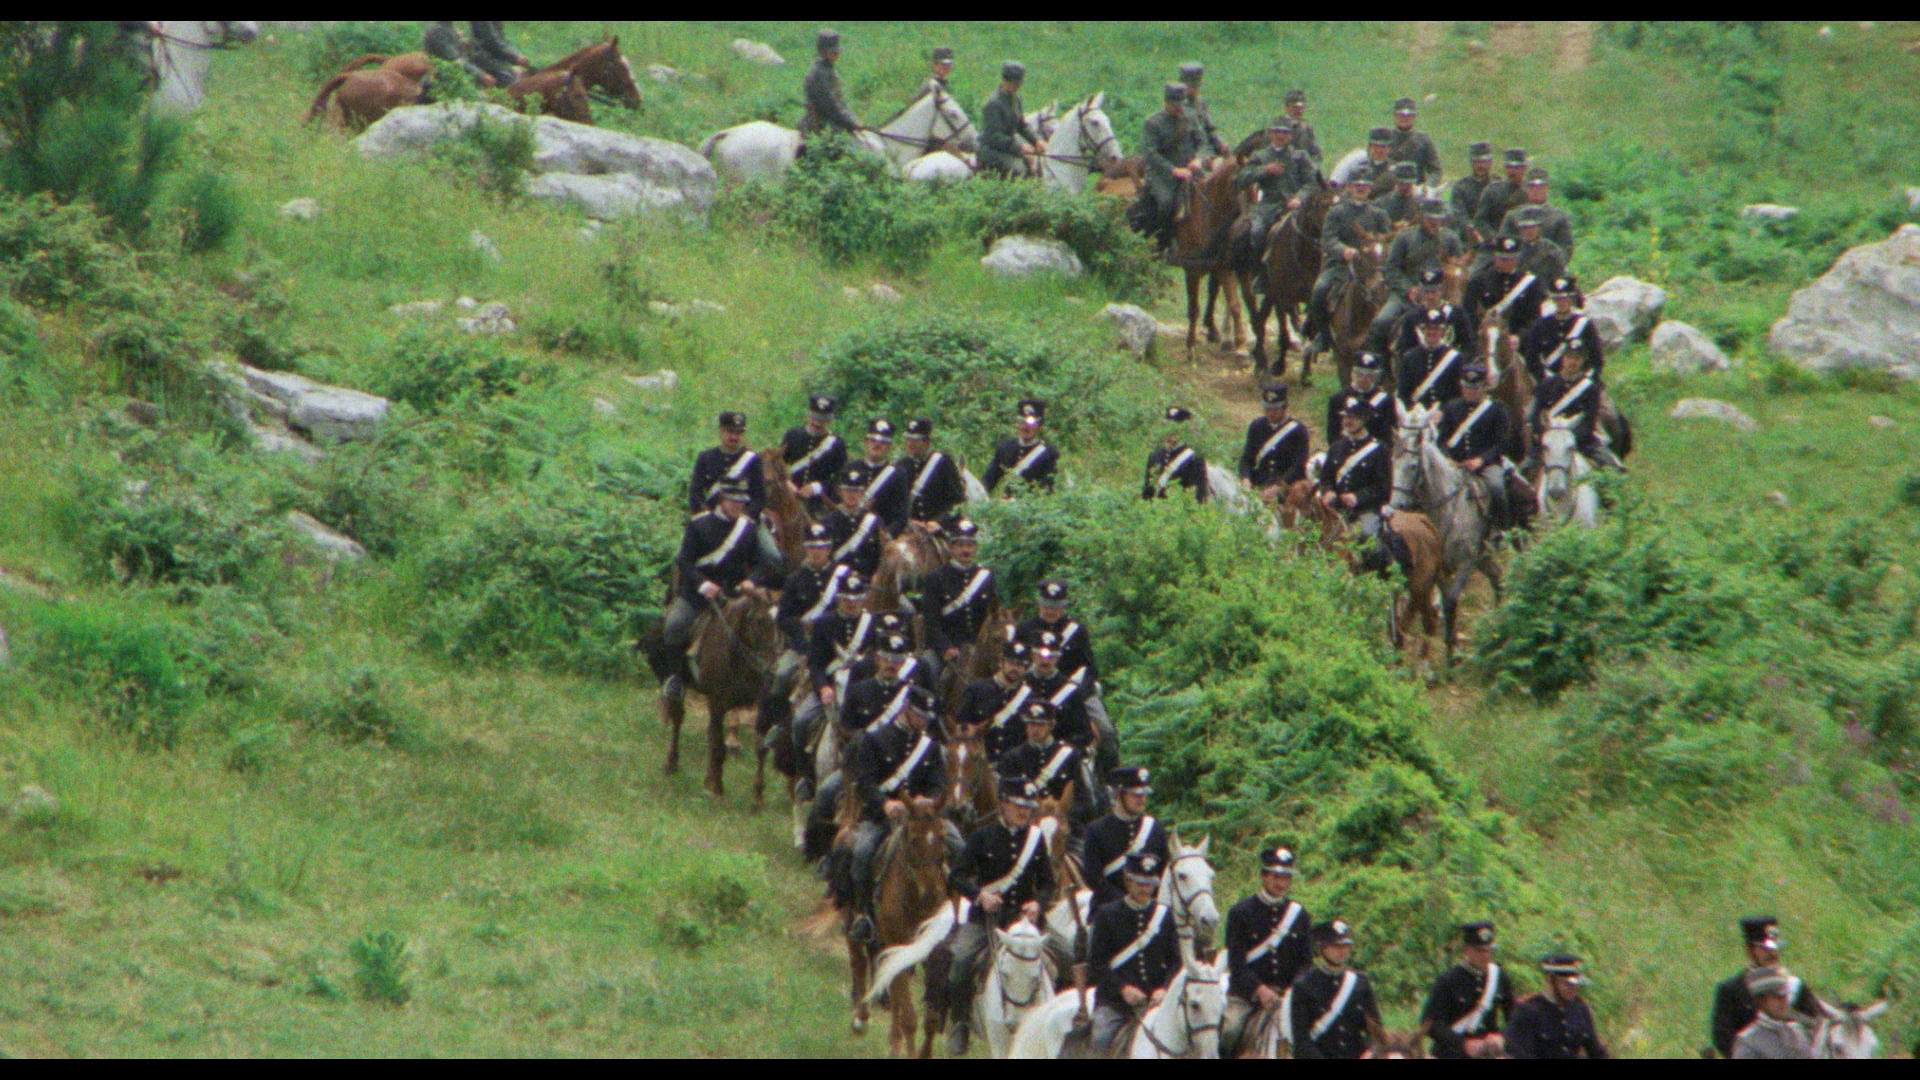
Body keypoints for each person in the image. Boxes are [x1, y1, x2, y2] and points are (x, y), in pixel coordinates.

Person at [945, 773, 1057, 1055]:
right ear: (1003, 804)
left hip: (1026, 922)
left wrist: (1038, 904)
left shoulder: (1036, 839)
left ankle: (1066, 1027)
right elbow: (957, 875)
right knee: (960, 963)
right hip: (987, 920)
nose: (1024, 811)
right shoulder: (982, 836)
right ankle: (960, 1023)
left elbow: (1048, 883)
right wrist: (980, 896)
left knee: (1068, 955)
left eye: (1028, 806)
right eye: (1018, 804)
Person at [840, 684, 954, 943]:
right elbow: (865, 782)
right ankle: (864, 915)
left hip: (922, 818)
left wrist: (928, 800)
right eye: (919, 715)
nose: (923, 722)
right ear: (905, 709)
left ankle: (955, 914)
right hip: (882, 816)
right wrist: (885, 804)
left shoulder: (930, 747)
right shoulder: (875, 739)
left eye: (926, 718)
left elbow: (938, 781)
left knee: (958, 847)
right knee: (862, 852)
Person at [660, 481, 777, 703]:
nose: (737, 505)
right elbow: (684, 561)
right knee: (675, 624)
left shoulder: (748, 528)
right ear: (722, 500)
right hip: (698, 595)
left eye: (741, 502)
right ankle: (674, 678)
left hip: (734, 595)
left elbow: (760, 563)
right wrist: (703, 584)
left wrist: (751, 581)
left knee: (765, 622)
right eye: (733, 501)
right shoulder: (698, 524)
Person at [1014, 579, 1118, 779]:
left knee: (1105, 731)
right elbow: (1014, 662)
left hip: (1071, 691)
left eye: (1055, 607)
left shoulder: (1076, 630)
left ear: (1063, 607)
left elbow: (1089, 668)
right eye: (1046, 606)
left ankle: (1109, 781)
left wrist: (1077, 691)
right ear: (1039, 604)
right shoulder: (1025, 629)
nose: (1050, 611)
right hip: (1031, 691)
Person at [1087, 852, 1181, 1054]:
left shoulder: (1165, 915)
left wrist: (1165, 988)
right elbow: (1097, 964)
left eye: (1149, 884)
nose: (1145, 888)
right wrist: (1123, 989)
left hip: (1156, 999)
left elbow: (1176, 961)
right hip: (1116, 1002)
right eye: (1139, 883)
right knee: (1100, 1037)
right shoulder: (1107, 915)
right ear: (1127, 881)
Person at [1222, 846, 1313, 1056]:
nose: (1281, 883)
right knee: (1229, 1030)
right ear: (1263, 876)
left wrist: (1293, 991)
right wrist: (1259, 989)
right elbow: (1236, 964)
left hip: (1287, 996)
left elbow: (1306, 964)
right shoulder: (1240, 912)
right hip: (1248, 997)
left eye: (1286, 877)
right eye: (1275, 876)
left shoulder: (1299, 915)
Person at [1710, 916, 1825, 1058]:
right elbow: (1723, 1038)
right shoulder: (1731, 990)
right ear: (1749, 950)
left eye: (1775, 947)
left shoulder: (1793, 985)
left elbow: (1817, 1025)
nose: (1772, 953)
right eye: (1764, 948)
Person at [1305, 172, 1392, 352]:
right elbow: (1328, 239)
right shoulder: (1336, 212)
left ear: (1370, 189)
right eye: (1357, 186)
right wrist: (1343, 250)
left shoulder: (1379, 214)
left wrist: (1377, 246)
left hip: (1371, 267)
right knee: (1319, 291)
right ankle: (1323, 336)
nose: (1361, 189)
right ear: (1349, 188)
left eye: (1365, 186)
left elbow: (1386, 238)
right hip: (1340, 266)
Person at [1368, 199, 1466, 358]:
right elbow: (1391, 269)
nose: (1435, 223)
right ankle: (1380, 365)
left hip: (1441, 297)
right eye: (1430, 219)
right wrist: (1408, 289)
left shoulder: (1450, 238)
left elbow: (1459, 269)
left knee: (1467, 324)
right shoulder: (1404, 237)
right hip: (1407, 295)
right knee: (1382, 322)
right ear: (1421, 217)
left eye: (1438, 219)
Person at [917, 519, 998, 687]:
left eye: (970, 545)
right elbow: (931, 621)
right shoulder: (936, 578)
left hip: (978, 647)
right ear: (951, 548)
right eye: (960, 545)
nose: (965, 550)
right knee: (926, 668)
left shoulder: (986, 577)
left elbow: (993, 616)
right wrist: (945, 648)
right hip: (948, 647)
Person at [1287, 919, 1383, 1059]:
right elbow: (1301, 1040)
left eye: (1346, 945)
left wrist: (1368, 1052)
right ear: (1322, 948)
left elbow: (1375, 1030)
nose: (1342, 950)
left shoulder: (1360, 983)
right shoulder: (1304, 985)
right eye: (1336, 946)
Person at [1319, 400, 1397, 573]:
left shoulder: (1379, 450)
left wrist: (1358, 498)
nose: (1348, 421)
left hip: (1365, 510)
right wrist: (1328, 491)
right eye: (1346, 416)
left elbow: (1384, 489)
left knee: (1369, 538)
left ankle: (1376, 578)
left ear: (1364, 419)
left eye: (1353, 417)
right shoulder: (1336, 447)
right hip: (1335, 509)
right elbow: (1325, 478)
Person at [1420, 921, 1516, 1059]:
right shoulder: (1448, 980)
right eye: (1479, 950)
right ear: (1466, 949)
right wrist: (1463, 1044)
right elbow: (1430, 1024)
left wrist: (1501, 1037)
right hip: (1454, 1053)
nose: (1485, 955)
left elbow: (1514, 1018)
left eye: (1489, 950)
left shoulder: (1499, 976)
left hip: (1490, 1052)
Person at [1437, 367, 1515, 529]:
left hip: (1485, 464)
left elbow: (1503, 443)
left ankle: (1501, 530)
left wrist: (1482, 460)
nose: (1470, 392)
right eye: (1466, 387)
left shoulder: (1496, 408)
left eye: (1475, 388)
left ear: (1484, 387)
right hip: (1455, 464)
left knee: (1496, 487)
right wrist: (1448, 458)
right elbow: (1442, 440)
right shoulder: (1452, 407)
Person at [1080, 767, 1168, 910]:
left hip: (1150, 907)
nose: (1141, 798)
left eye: (1144, 794)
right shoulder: (1096, 830)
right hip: (1109, 910)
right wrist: (1125, 902)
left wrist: (1148, 901)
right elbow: (1093, 878)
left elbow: (1164, 871)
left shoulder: (1155, 829)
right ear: (1118, 794)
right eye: (1135, 794)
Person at [1137, 83, 1207, 252]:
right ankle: (1162, 242)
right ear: (1166, 102)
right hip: (1163, 175)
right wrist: (1173, 170)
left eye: (1181, 104)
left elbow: (1202, 142)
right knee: (1166, 203)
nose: (1179, 108)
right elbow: (1150, 154)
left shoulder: (1190, 117)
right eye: (1175, 104)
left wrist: (1199, 159)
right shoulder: (1153, 123)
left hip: (1191, 171)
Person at [1234, 118, 1315, 260]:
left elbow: (1311, 183)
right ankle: (1257, 265)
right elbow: (1241, 179)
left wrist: (1298, 198)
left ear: (1290, 136)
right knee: (1257, 231)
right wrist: (1265, 170)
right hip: (1268, 206)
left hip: (1295, 207)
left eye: (1285, 132)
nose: (1280, 136)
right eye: (1277, 132)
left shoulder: (1300, 156)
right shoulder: (1260, 156)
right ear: (1270, 134)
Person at [1531, 342, 1620, 469]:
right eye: (1569, 357)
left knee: (1612, 467)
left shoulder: (1590, 388)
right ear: (1563, 359)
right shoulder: (1547, 385)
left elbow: (1590, 421)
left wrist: (1570, 439)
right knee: (1526, 468)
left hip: (1581, 441)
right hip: (1549, 440)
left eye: (1577, 358)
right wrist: (1545, 436)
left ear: (1583, 361)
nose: (1572, 362)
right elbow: (1536, 415)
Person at [1506, 954, 1608, 1059]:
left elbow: (1596, 1050)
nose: (1573, 988)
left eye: (1576, 984)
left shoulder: (1580, 1008)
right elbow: (1520, 1053)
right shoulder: (1528, 1011)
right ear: (1550, 979)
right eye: (1567, 984)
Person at [1464, 236, 1547, 349]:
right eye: (1503, 259)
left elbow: (1535, 318)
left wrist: (1519, 337)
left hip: (1517, 343)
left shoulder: (1530, 284)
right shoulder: (1478, 283)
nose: (1507, 263)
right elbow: (1468, 314)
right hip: (1484, 342)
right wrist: (1479, 334)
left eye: (1511, 259)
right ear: (1494, 257)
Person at [957, 640, 1032, 759]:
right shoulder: (976, 690)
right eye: (1011, 663)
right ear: (1001, 663)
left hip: (1014, 762)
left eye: (1020, 665)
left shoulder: (1029, 697)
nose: (1015, 668)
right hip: (981, 759)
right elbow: (961, 725)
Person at [995, 701, 1082, 804]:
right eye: (1031, 724)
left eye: (1041, 724)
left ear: (1051, 725)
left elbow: (1082, 798)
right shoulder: (1012, 758)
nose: (1035, 729)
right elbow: (1005, 799)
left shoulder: (1069, 756)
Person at [1521, 276, 1606, 381]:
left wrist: (1584, 378)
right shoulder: (1541, 326)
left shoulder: (1585, 325)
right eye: (1558, 299)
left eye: (1566, 298)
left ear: (1572, 299)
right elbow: (1532, 359)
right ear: (1553, 299)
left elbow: (1597, 358)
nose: (1562, 302)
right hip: (1550, 383)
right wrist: (1547, 378)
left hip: (1580, 383)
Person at [1240, 383, 1311, 505]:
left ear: (1285, 407)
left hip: (1287, 486)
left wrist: (1279, 487)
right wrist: (1246, 478)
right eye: (1267, 409)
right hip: (1260, 483)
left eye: (1275, 409)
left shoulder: (1298, 431)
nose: (1270, 413)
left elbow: (1298, 466)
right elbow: (1247, 459)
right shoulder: (1257, 426)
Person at [688, 411, 767, 521]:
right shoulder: (706, 457)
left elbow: (759, 498)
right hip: (712, 519)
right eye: (730, 431)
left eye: (738, 433)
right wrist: (706, 516)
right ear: (721, 431)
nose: (734, 437)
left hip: (743, 521)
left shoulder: (753, 460)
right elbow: (695, 494)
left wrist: (745, 517)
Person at [1386, 268, 1475, 363]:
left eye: (1433, 292)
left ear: (1441, 291)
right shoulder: (1411, 317)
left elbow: (1468, 345)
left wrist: (1458, 363)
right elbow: (1405, 349)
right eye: (1426, 292)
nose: (1430, 296)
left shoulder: (1456, 313)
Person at [781, 394, 848, 516]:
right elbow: (778, 464)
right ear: (808, 415)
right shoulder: (793, 435)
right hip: (790, 498)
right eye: (814, 417)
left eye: (822, 419)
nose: (817, 423)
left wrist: (818, 487)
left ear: (829, 420)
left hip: (818, 503)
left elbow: (842, 477)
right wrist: (786, 482)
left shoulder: (836, 444)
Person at [1730, 967, 1814, 1059]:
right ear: (1761, 1000)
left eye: (1785, 996)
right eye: (1777, 997)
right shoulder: (1748, 1042)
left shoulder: (1797, 1033)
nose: (1784, 1001)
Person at [979, 61, 1044, 178]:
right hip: (991, 150)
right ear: (1004, 81)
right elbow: (993, 136)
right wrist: (1019, 147)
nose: (1016, 87)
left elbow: (1022, 125)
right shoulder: (993, 104)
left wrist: (1036, 140)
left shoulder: (1016, 99)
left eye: (1019, 84)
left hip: (1008, 147)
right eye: (1014, 84)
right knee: (1019, 169)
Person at [1471, 148, 1531, 274]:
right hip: (1494, 246)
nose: (1512, 171)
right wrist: (1493, 238)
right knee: (1474, 275)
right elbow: (1480, 220)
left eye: (1517, 168)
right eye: (1509, 167)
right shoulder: (1492, 190)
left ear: (1525, 168)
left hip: (1524, 246)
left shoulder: (1531, 192)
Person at [1497, 166, 1576, 262]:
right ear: (1525, 189)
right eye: (1532, 187)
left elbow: (1566, 248)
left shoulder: (1559, 218)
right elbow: (1504, 246)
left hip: (1550, 266)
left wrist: (1554, 265)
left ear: (1547, 188)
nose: (1536, 191)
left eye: (1540, 187)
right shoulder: (1513, 216)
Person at [900, 418, 967, 529]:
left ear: (927, 441)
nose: (910, 444)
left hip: (938, 528)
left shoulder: (942, 463)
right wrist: (909, 522)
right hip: (910, 528)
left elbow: (957, 501)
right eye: (908, 439)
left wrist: (940, 522)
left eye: (916, 440)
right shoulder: (902, 466)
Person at [820, 465, 885, 578]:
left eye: (856, 490)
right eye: (848, 490)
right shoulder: (827, 523)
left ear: (863, 493)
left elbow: (883, 555)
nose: (852, 494)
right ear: (840, 492)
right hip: (836, 580)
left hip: (868, 581)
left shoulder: (874, 522)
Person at [983, 398, 1059, 494]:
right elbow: (988, 481)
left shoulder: (1049, 454)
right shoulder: (1005, 448)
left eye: (1030, 423)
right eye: (1022, 421)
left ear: (1040, 425)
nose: (1025, 427)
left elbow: (1046, 490)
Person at [1396, 309, 1468, 410]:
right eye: (1428, 328)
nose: (1432, 332)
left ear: (1443, 331)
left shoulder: (1456, 358)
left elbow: (1459, 393)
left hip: (1445, 413)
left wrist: (1445, 411)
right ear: (1422, 330)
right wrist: (1412, 409)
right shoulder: (1410, 357)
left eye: (1436, 329)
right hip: (1417, 413)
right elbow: (1403, 393)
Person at [850, 418, 910, 536]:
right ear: (866, 442)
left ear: (889, 446)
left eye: (883, 442)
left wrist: (887, 535)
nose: (877, 444)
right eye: (873, 440)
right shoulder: (851, 468)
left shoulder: (897, 474)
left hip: (880, 535)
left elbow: (901, 517)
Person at [800, 29, 862, 139]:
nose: (836, 54)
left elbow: (840, 102)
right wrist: (851, 123)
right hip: (822, 123)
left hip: (832, 118)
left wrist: (852, 119)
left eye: (836, 51)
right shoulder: (819, 74)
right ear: (823, 52)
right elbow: (830, 106)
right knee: (851, 144)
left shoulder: (828, 70)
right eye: (832, 52)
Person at [1327, 353, 1395, 448]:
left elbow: (1386, 434)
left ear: (1375, 377)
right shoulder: (1338, 399)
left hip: (1373, 451)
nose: (1364, 378)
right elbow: (1332, 433)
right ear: (1352, 374)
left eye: (1369, 375)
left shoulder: (1385, 400)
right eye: (1359, 374)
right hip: (1345, 450)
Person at [1143, 406, 1210, 502]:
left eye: (1175, 428)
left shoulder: (1194, 459)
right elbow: (1146, 495)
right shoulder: (1154, 456)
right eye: (1167, 426)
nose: (1171, 432)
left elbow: (1199, 498)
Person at [1178, 61, 1231, 157]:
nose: (1192, 89)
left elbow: (1210, 129)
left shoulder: (1201, 103)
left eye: (1195, 86)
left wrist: (1220, 144)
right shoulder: (1178, 108)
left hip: (1209, 151)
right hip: (1192, 155)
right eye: (1189, 86)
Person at [1387, 96, 1442, 186]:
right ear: (1395, 116)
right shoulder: (1386, 139)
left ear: (1414, 117)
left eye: (1409, 115)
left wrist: (1428, 187)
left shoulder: (1423, 140)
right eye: (1401, 115)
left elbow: (1435, 170)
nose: (1405, 118)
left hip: (1416, 187)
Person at [1508, 205, 1569, 286]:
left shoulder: (1550, 249)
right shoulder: (1512, 250)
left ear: (1539, 228)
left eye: (1532, 227)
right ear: (1519, 229)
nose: (1529, 231)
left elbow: (1560, 274)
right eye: (1525, 228)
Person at [422, 22, 495, 87]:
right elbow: (455, 60)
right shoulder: (437, 31)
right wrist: (481, 75)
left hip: (453, 78)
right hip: (441, 83)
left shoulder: (446, 26)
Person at [1450, 142, 1496, 243]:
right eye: (1477, 162)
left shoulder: (1498, 185)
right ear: (1471, 162)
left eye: (1484, 162)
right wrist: (1473, 232)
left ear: (1490, 162)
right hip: (1469, 238)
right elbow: (1460, 216)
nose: (1481, 165)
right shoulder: (1461, 187)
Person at [468, 21, 529, 89]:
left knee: (522, 75)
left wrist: (515, 56)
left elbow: (500, 38)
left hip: (492, 57)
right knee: (514, 81)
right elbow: (490, 40)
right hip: (482, 60)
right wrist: (515, 56)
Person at [1282, 89, 1323, 169]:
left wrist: (1312, 167)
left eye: (1301, 107)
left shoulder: (1307, 128)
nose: (1299, 111)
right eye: (1294, 107)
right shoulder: (1278, 127)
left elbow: (1316, 154)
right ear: (1286, 108)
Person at [1350, 127, 1397, 195]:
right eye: (1376, 146)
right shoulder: (1360, 168)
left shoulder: (1395, 170)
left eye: (1383, 147)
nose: (1379, 150)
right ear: (1369, 147)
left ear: (1389, 148)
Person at [1376, 161, 1422, 227]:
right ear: (1396, 181)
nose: (1405, 187)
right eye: (1402, 183)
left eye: (1409, 184)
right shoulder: (1382, 203)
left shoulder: (1420, 205)